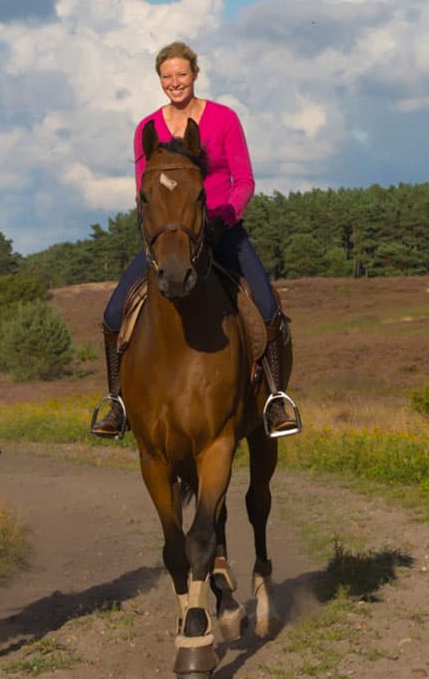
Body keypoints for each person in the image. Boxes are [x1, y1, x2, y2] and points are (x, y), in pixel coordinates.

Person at [90, 41, 301, 439]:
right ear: (160, 80)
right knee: (113, 315)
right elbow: (144, 193)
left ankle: (275, 399)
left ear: (195, 75)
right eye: (167, 76)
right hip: (168, 241)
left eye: (181, 74)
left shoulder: (223, 119)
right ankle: (116, 401)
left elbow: (245, 181)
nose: (175, 82)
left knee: (269, 308)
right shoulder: (147, 129)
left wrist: (224, 218)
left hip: (221, 229)